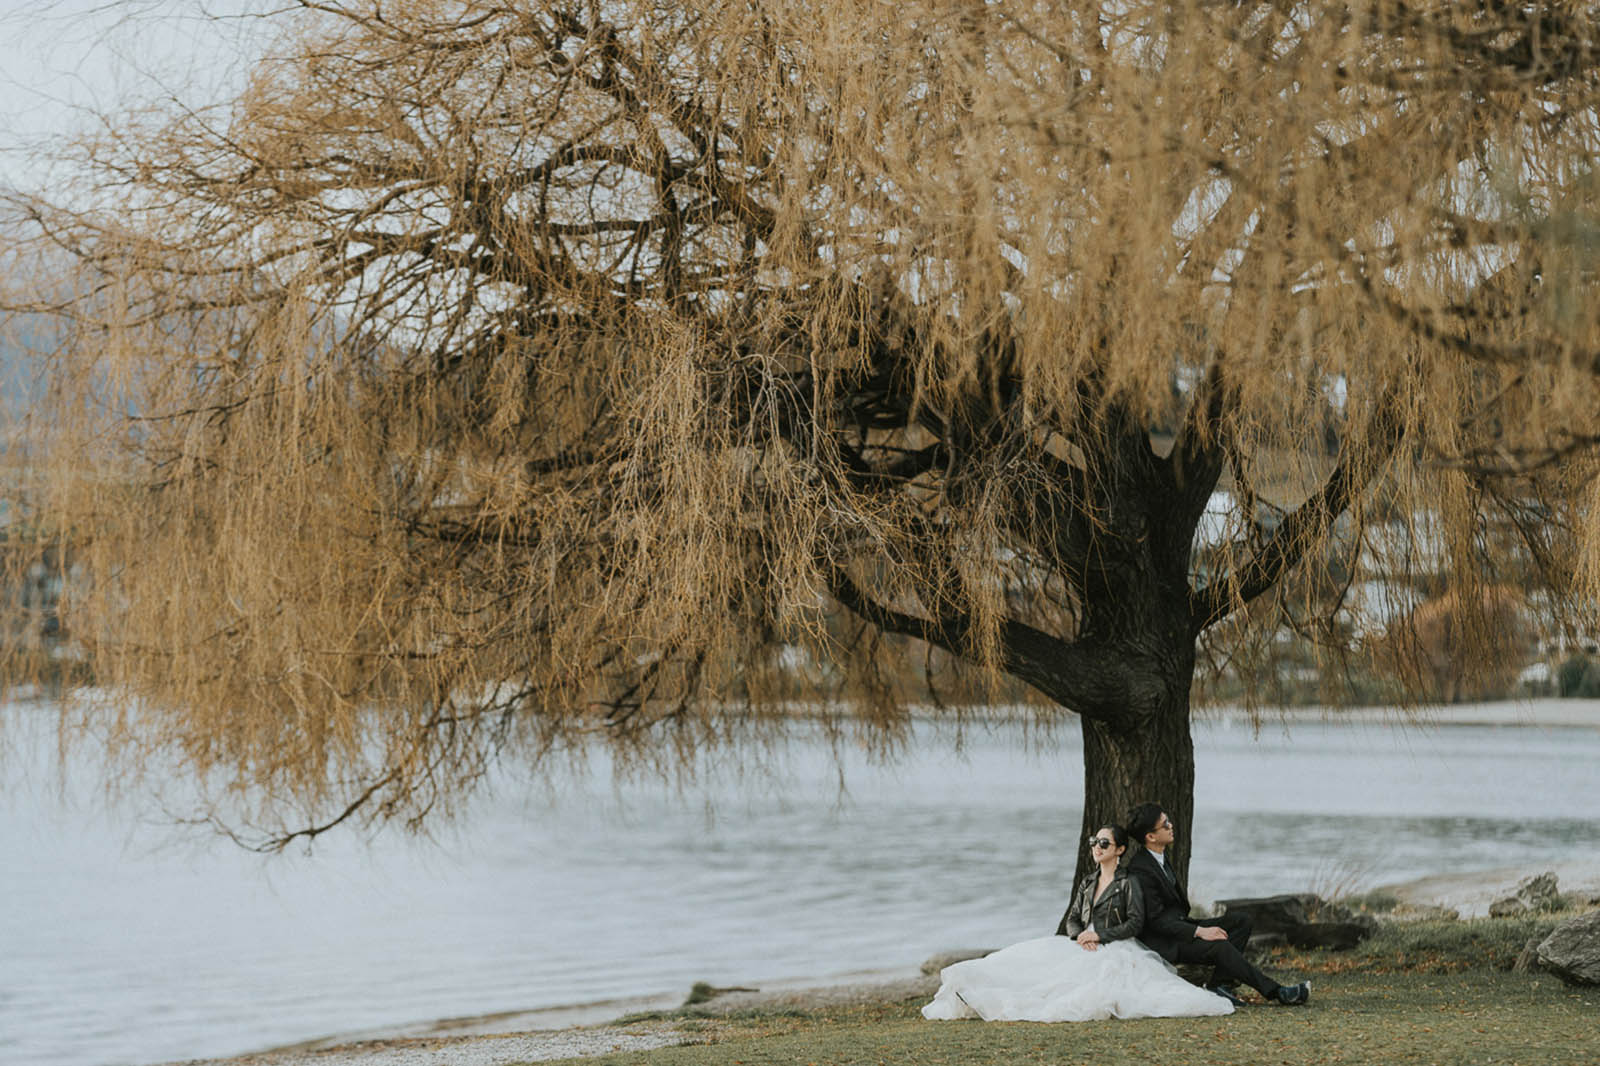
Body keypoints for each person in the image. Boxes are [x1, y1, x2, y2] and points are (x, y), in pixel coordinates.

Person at [921, 823, 1234, 1021]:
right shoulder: (1088, 882)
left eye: (1104, 844)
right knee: (1026, 963)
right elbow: (1072, 917)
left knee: (1083, 987)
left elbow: (1136, 923)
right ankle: (972, 991)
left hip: (1116, 945)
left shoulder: (1129, 883)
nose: (1097, 848)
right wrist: (1080, 934)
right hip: (1079, 943)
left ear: (1120, 850)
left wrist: (1100, 937)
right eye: (1094, 842)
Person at [1124, 802, 1311, 1007]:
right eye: (1165, 824)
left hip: (1179, 926)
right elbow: (1157, 921)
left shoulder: (1159, 857)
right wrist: (1199, 931)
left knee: (1241, 921)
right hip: (1165, 941)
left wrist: (1196, 927)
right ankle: (1278, 992)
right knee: (1219, 945)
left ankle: (1220, 985)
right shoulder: (1140, 869)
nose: (1171, 826)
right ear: (1151, 837)